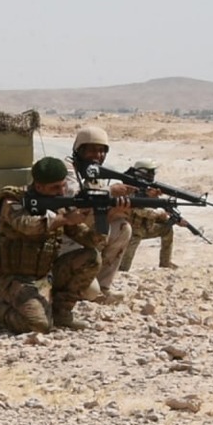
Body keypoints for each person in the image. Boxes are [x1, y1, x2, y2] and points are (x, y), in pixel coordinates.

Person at [0, 156, 107, 334]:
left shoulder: (60, 205)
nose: (61, 191)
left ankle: (61, 313)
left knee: (91, 258)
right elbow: (27, 225)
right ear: (39, 186)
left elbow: (90, 240)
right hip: (15, 279)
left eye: (63, 185)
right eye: (55, 187)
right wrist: (64, 219)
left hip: (45, 276)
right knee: (38, 326)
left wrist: (101, 216)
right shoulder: (13, 200)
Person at [66, 126, 135, 301]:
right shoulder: (67, 168)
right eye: (91, 150)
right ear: (79, 149)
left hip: (83, 236)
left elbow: (98, 208)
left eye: (102, 151)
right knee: (88, 293)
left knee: (122, 228)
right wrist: (111, 190)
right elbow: (74, 198)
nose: (97, 155)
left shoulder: (94, 175)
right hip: (65, 238)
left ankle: (103, 286)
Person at [119, 159, 186, 271]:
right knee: (123, 268)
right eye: (150, 172)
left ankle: (165, 263)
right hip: (132, 232)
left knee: (167, 229)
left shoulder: (149, 190)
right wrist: (158, 213)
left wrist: (176, 218)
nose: (152, 175)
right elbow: (137, 209)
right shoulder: (129, 188)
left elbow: (160, 204)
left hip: (146, 227)